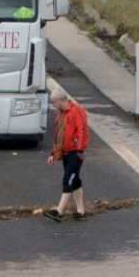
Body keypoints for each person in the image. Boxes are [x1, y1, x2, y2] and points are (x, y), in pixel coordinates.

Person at [44, 87, 89, 220]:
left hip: (76, 151)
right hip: (66, 151)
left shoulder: (76, 110)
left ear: (58, 100)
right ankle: (80, 211)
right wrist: (53, 153)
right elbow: (58, 134)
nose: (53, 105)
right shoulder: (61, 113)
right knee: (74, 180)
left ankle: (59, 210)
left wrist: (80, 149)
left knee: (67, 179)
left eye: (54, 102)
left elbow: (82, 130)